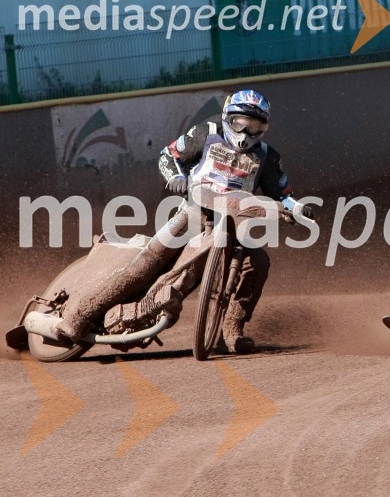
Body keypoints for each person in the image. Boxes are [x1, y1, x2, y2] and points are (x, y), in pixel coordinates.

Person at [55, 89, 313, 354]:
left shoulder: (268, 156)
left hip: (236, 224)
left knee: (258, 262)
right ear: (228, 117)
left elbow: (283, 195)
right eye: (240, 123)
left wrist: (298, 209)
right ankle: (76, 316)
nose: (246, 132)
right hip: (192, 214)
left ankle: (232, 328)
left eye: (254, 126)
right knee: (145, 264)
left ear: (263, 128)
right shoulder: (207, 132)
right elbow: (168, 155)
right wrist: (176, 178)